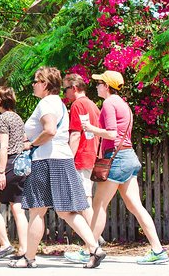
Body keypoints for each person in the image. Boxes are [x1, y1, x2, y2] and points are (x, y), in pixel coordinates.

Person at [9, 67, 105, 269]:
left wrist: (31, 144)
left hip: (45, 161)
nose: (33, 85)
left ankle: (29, 258)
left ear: (44, 84)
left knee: (36, 212)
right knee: (67, 211)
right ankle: (95, 248)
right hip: (62, 160)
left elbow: (50, 130)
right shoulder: (58, 103)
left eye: (35, 81)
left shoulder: (46, 103)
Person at [83, 70, 169, 265]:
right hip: (129, 157)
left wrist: (91, 129)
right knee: (135, 206)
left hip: (117, 158)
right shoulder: (123, 104)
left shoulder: (109, 103)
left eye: (99, 83)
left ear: (106, 86)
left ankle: (90, 249)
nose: (96, 86)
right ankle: (158, 250)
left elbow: (112, 134)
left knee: (99, 204)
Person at [0, 86, 28, 261]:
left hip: (9, 164)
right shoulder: (17, 118)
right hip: (21, 165)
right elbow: (24, 142)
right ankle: (24, 249)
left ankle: (5, 244)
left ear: (0, 101)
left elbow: (4, 146)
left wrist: (1, 172)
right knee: (17, 208)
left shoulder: (3, 118)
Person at [62, 73, 102, 264]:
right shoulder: (93, 105)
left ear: (74, 88)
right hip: (90, 154)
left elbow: (76, 134)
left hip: (81, 157)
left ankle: (92, 246)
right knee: (85, 199)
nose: (65, 93)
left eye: (66, 89)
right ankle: (93, 243)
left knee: (83, 202)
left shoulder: (78, 105)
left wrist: (68, 159)